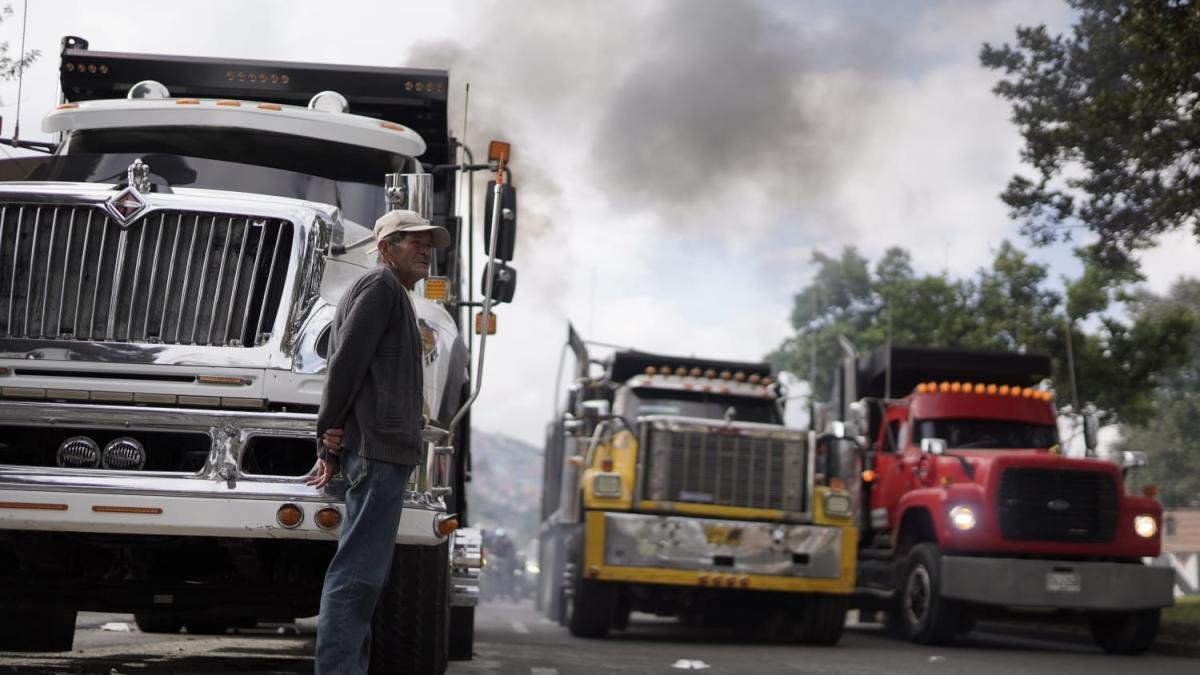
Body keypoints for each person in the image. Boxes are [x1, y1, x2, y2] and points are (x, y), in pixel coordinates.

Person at [306, 209, 450, 675]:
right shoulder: (380, 287)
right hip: (376, 453)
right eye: (414, 241)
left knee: (365, 577)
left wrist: (334, 436)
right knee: (357, 577)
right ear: (385, 248)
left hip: (382, 452)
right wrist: (326, 434)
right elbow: (344, 364)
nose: (426, 249)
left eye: (429, 242)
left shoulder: (395, 294)